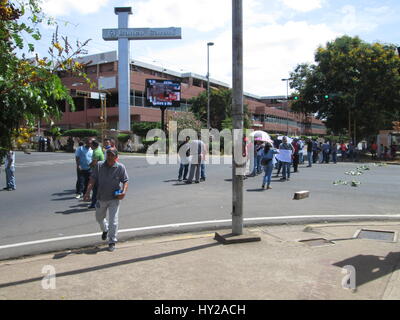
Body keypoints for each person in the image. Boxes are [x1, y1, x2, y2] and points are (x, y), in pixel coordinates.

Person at [84, 149, 129, 252]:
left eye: (112, 155)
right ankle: (105, 229)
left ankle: (112, 241)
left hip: (114, 198)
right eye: (108, 155)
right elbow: (92, 179)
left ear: (116, 157)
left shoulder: (120, 167)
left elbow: (125, 181)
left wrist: (123, 191)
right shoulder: (99, 166)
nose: (109, 157)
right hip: (101, 198)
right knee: (99, 218)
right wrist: (87, 192)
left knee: (113, 221)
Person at [88, 140, 105, 209]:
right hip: (100, 172)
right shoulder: (98, 149)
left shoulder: (96, 152)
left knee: (95, 189)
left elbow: (94, 163)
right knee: (97, 189)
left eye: (91, 145)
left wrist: (89, 165)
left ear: (93, 145)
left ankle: (94, 204)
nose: (90, 146)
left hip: (98, 173)